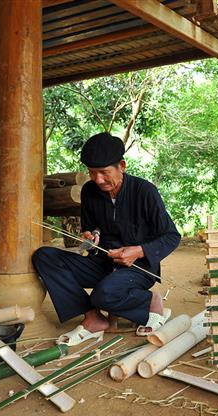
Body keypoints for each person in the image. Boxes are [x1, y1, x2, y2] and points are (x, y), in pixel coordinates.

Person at [32, 133, 181, 345]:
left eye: (104, 172)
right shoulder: (90, 191)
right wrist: (93, 235)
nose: (98, 180)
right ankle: (93, 317)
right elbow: (92, 226)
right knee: (45, 257)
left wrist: (137, 251)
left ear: (122, 165)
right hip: (102, 262)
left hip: (137, 267)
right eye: (92, 173)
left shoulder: (144, 191)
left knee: (103, 295)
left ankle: (151, 301)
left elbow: (171, 236)